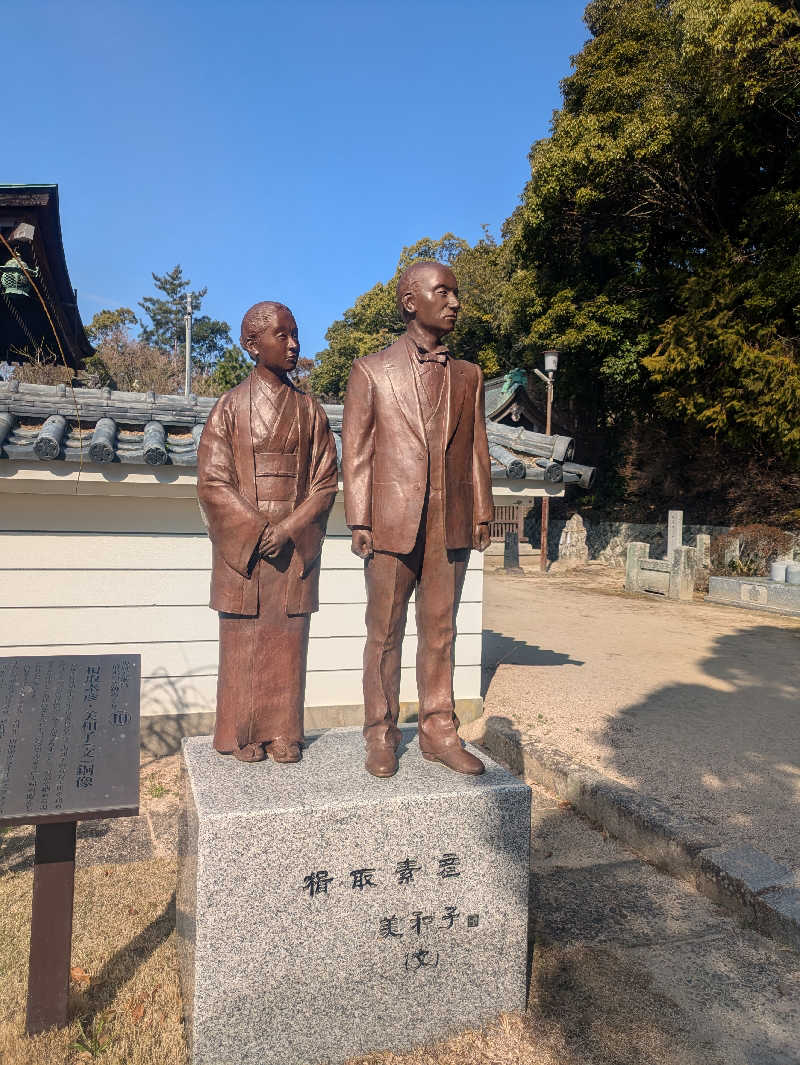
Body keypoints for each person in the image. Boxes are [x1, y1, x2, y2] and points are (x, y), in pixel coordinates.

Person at [342, 262, 493, 778]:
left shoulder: (469, 375)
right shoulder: (370, 371)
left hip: (448, 521)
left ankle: (438, 729)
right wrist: (358, 518)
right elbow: (358, 453)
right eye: (443, 292)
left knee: (441, 630)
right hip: (390, 520)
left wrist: (482, 511)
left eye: (457, 292)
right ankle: (380, 733)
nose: (454, 302)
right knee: (383, 631)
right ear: (411, 301)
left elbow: (477, 450)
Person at [197, 302, 338, 764]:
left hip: (294, 546)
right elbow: (213, 482)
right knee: (244, 639)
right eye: (283, 335)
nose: (294, 344)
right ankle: (243, 734)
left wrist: (290, 527)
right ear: (252, 345)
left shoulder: (310, 411)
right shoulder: (229, 407)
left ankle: (284, 732)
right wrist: (259, 531)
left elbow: (324, 483)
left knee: (288, 639)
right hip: (246, 546)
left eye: (296, 334)